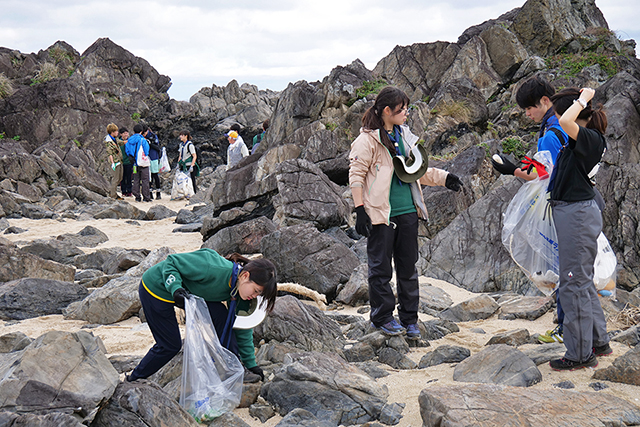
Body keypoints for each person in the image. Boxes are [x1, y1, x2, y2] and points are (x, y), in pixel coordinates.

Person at [349, 86, 463, 338]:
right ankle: (382, 317)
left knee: (408, 267)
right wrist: (360, 210)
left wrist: (446, 178)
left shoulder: (405, 136)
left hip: (408, 211)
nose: (407, 114)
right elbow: (355, 177)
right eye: (402, 110)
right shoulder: (366, 141)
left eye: (407, 109)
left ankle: (410, 319)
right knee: (380, 269)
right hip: (381, 215)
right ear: (386, 111)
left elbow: (417, 170)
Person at [126, 249, 277, 384]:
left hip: (188, 294)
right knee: (170, 345)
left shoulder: (240, 293)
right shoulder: (211, 266)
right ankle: (133, 379)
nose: (254, 296)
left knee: (222, 317)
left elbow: (241, 327)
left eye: (259, 294)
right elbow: (171, 262)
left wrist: (251, 364)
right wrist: (175, 288)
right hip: (156, 288)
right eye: (256, 290)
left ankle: (233, 366)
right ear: (245, 275)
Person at [492, 76, 567, 343]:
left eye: (529, 108)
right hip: (577, 202)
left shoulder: (550, 135)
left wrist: (511, 169)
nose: (527, 114)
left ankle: (565, 328)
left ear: (545, 101)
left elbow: (540, 174)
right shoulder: (567, 124)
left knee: (559, 265)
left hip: (558, 205)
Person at [547, 87, 611, 371]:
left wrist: (582, 99)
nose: (558, 118)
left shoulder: (591, 139)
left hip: (577, 215)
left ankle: (580, 354)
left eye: (558, 112)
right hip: (574, 214)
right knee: (581, 280)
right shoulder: (580, 141)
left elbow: (565, 122)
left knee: (573, 282)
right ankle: (598, 341)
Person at [125, 123, 152, 202]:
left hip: (134, 163)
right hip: (143, 163)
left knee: (136, 179)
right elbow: (146, 151)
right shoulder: (142, 140)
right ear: (141, 131)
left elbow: (127, 151)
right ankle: (146, 197)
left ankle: (137, 196)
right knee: (145, 180)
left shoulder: (129, 140)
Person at [104, 123, 124, 200]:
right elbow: (110, 153)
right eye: (116, 131)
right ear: (112, 132)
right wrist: (112, 163)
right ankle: (113, 195)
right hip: (115, 162)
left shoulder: (115, 139)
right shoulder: (109, 142)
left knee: (120, 177)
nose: (117, 132)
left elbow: (121, 142)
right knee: (115, 179)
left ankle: (113, 193)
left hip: (119, 161)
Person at [177, 130, 198, 194]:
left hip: (189, 165)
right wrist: (178, 164)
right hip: (183, 165)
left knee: (191, 181)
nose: (180, 136)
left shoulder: (190, 145)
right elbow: (180, 155)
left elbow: (194, 156)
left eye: (182, 135)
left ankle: (194, 194)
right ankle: (186, 193)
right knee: (184, 181)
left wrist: (192, 165)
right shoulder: (181, 145)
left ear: (186, 136)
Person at [145, 126, 162, 200]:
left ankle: (158, 192)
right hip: (146, 158)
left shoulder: (153, 136)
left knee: (155, 174)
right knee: (149, 176)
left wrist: (149, 142)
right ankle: (150, 193)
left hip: (153, 157)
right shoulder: (143, 137)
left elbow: (157, 146)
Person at [118, 127, 133, 197]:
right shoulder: (118, 142)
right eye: (124, 133)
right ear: (121, 134)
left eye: (127, 133)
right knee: (122, 178)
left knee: (129, 177)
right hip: (121, 162)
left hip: (129, 162)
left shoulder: (130, 141)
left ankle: (129, 191)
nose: (126, 134)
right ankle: (123, 191)